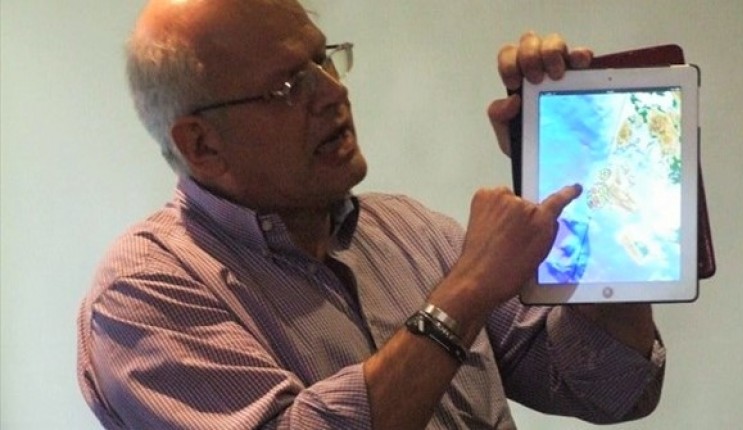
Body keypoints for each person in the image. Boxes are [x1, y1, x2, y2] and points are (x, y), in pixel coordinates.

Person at [76, 0, 665, 428]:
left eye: (323, 61)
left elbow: (609, 387)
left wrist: (593, 179)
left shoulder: (411, 230)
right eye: (288, 86)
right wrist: (463, 294)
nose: (334, 93)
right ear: (202, 145)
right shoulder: (143, 291)